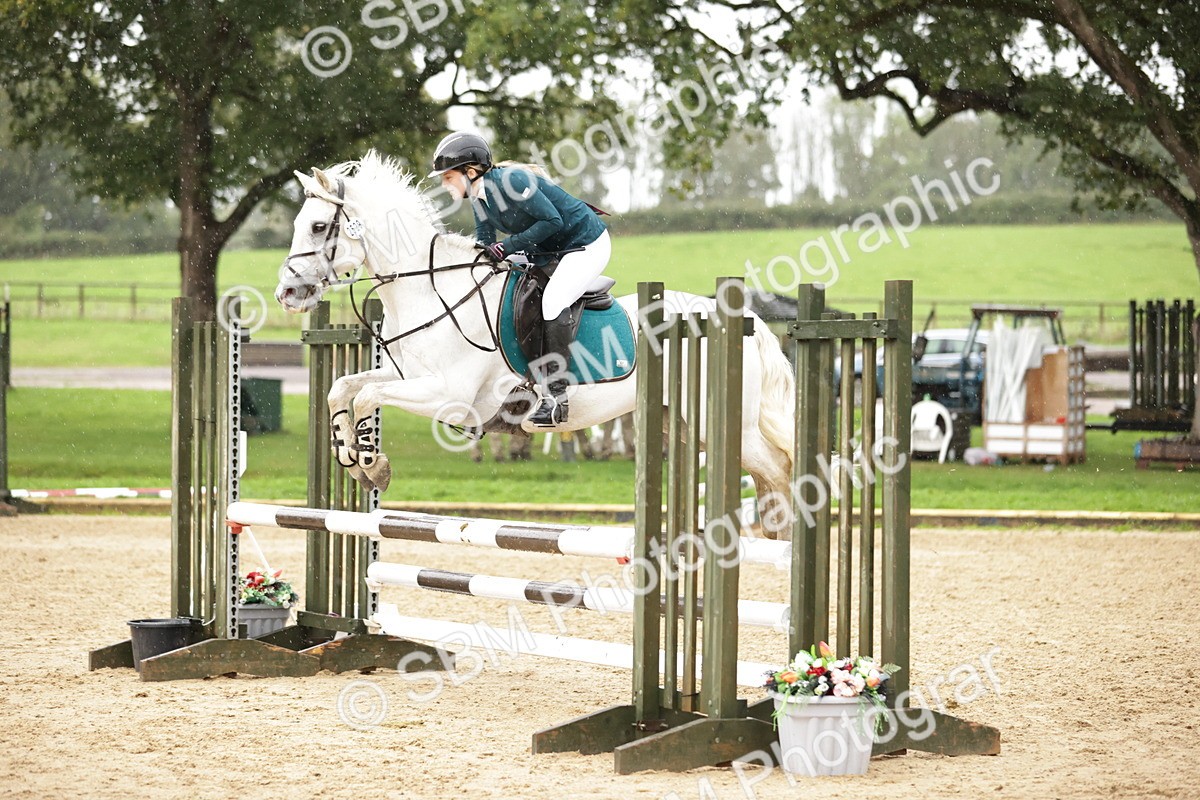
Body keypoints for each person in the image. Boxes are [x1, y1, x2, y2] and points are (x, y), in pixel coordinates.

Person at [428, 131, 610, 426]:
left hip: (584, 244)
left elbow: (553, 221)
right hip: (548, 250)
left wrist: (508, 247)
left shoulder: (512, 181)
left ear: (470, 172)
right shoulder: (480, 197)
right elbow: (486, 241)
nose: (443, 185)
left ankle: (556, 397)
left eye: (448, 177)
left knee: (552, 301)